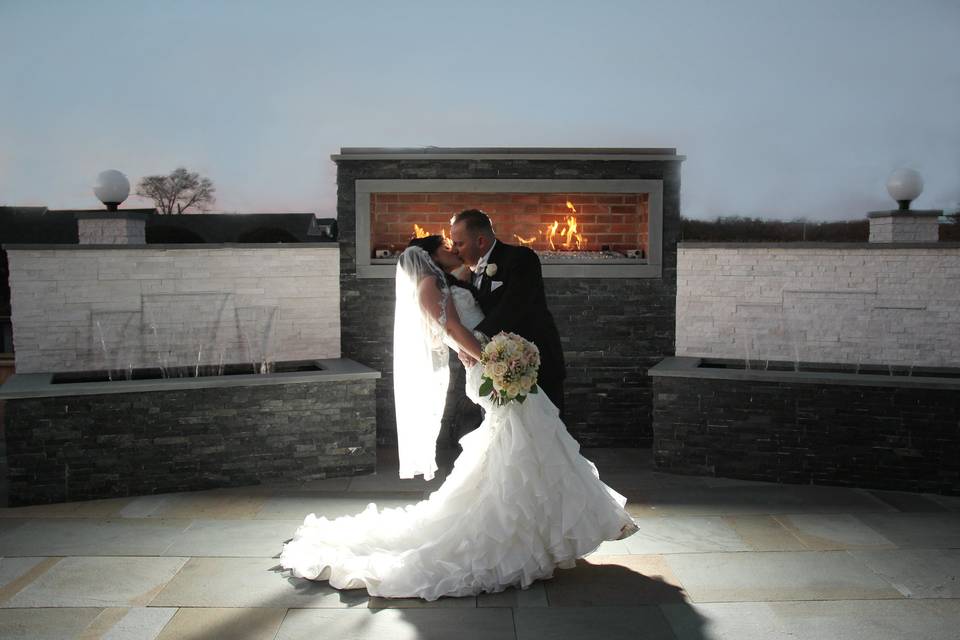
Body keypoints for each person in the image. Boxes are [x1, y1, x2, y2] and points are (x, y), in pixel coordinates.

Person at [279, 235, 637, 601]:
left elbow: (459, 322)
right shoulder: (429, 284)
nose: (454, 250)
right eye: (447, 247)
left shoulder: (445, 281)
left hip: (492, 363)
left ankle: (537, 527)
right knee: (524, 436)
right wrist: (493, 360)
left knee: (525, 437)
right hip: (490, 368)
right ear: (430, 257)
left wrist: (494, 353)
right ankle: (528, 527)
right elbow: (449, 330)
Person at [449, 209, 566, 417]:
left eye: (459, 244)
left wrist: (474, 339)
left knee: (545, 431)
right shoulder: (467, 273)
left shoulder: (521, 259)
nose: (454, 250)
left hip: (536, 364)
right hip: (499, 371)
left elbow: (514, 306)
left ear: (481, 241)